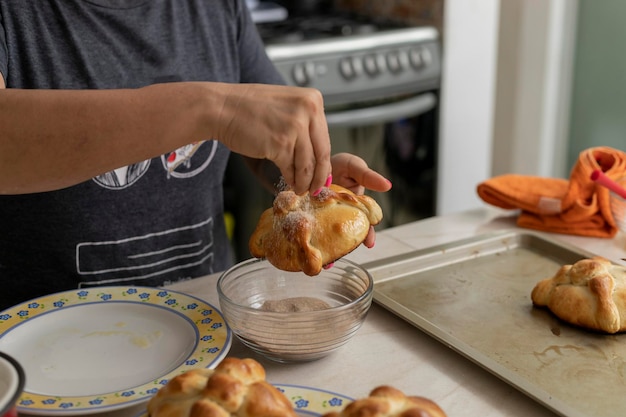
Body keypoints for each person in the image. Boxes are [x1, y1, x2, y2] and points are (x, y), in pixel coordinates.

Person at [0, 0, 392, 310]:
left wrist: (305, 177)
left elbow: (264, 140)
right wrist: (214, 110)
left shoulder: (214, 6)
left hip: (204, 323)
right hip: (39, 345)